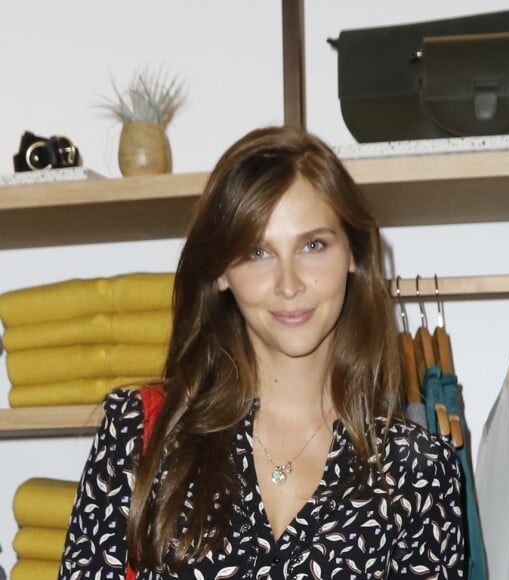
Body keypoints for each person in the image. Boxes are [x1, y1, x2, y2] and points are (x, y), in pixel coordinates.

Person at [59, 126, 464, 579]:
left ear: (352, 253)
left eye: (313, 245)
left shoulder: (418, 471)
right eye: (258, 252)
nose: (289, 284)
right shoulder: (140, 435)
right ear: (221, 274)